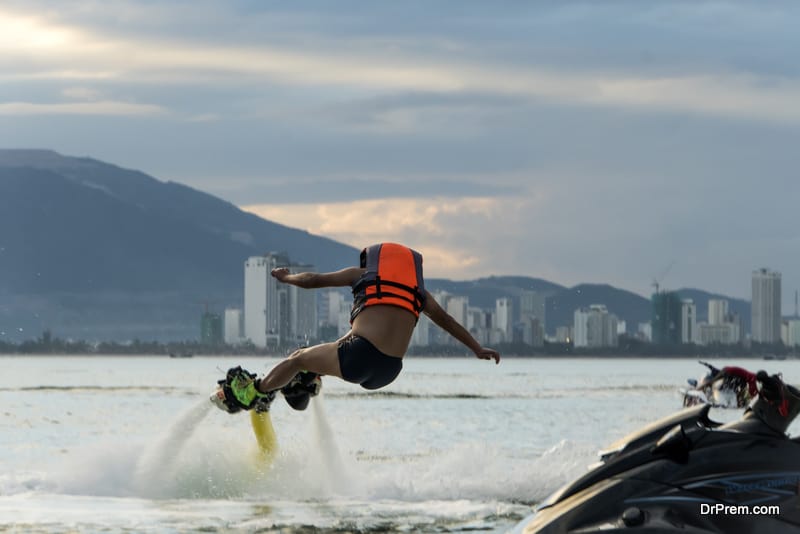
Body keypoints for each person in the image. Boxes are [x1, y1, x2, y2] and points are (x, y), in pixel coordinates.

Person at [217, 242, 500, 413]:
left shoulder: (362, 275)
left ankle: (253, 392)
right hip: (389, 371)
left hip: (359, 356)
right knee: (325, 351)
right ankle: (309, 380)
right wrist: (477, 348)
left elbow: (313, 280)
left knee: (297, 358)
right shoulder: (420, 295)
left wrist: (287, 278)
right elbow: (448, 322)